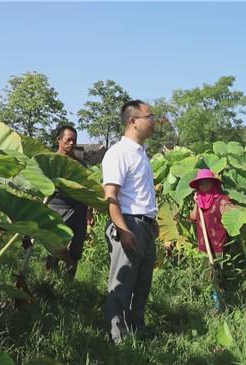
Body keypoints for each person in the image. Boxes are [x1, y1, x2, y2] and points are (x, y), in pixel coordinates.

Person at [102, 100, 159, 344]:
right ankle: (118, 340)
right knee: (123, 283)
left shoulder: (141, 153)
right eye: (150, 117)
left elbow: (139, 192)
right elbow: (111, 195)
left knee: (142, 282)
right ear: (133, 121)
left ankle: (136, 329)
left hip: (144, 225)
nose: (154, 122)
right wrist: (123, 230)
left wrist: (152, 219)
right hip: (128, 224)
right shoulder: (119, 153)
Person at [45, 125, 94, 276]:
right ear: (59, 140)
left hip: (78, 208)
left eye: (74, 140)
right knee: (55, 246)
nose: (71, 144)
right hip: (57, 207)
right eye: (68, 140)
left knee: (76, 248)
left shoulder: (80, 164)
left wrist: (89, 212)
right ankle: (48, 281)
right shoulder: (50, 161)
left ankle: (69, 283)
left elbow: (87, 188)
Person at [188, 169, 234, 311]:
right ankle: (217, 302)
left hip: (218, 242)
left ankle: (222, 304)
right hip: (204, 244)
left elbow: (232, 217)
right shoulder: (199, 200)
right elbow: (193, 218)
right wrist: (196, 203)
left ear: (213, 183)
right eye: (201, 183)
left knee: (218, 274)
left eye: (207, 182)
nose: (204, 185)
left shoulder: (221, 199)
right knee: (209, 274)